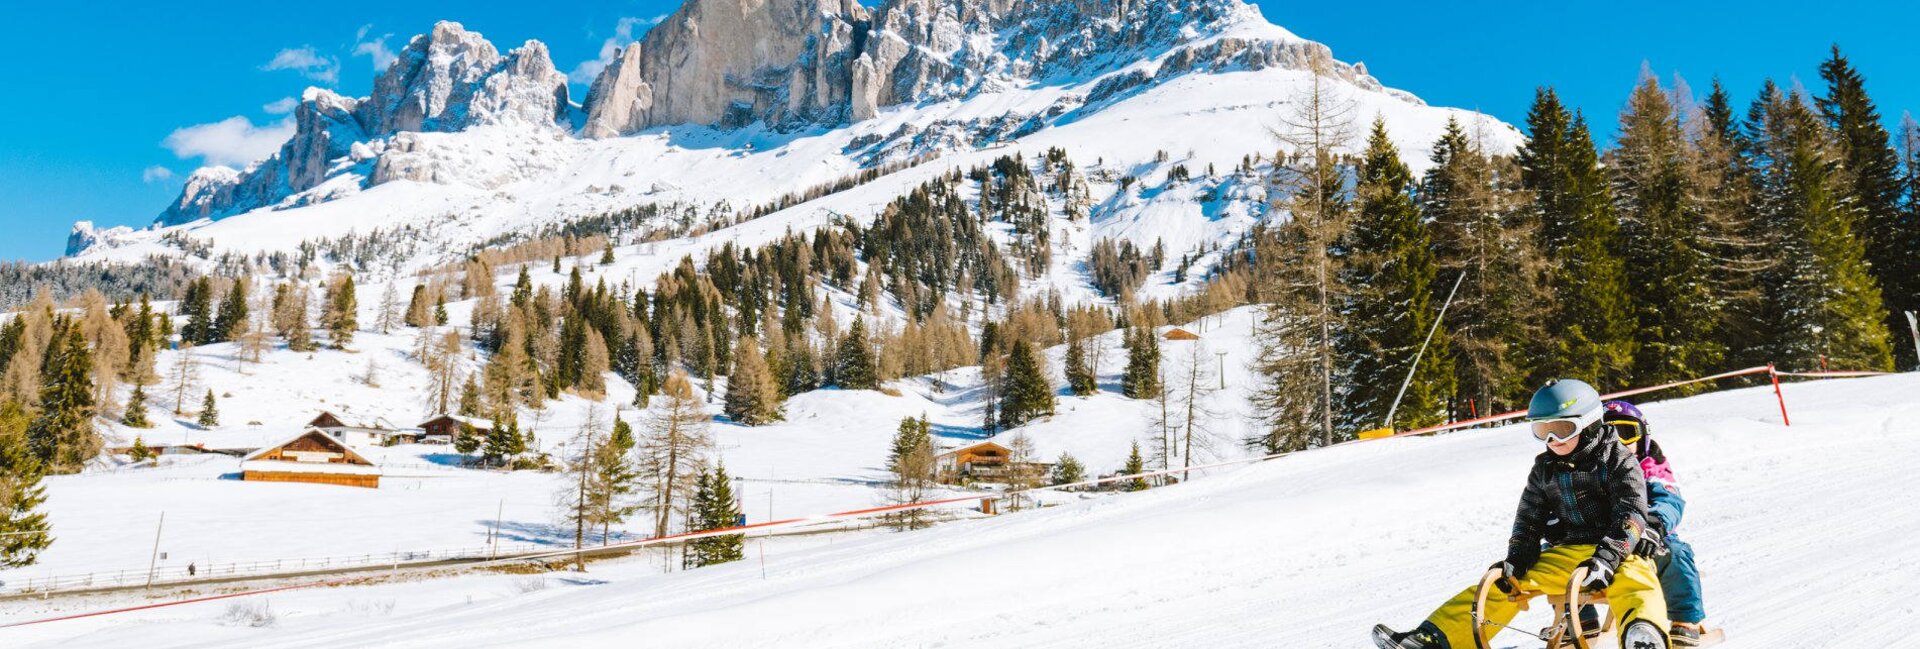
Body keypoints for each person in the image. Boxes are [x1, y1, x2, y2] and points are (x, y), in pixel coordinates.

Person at [1374, 379, 1670, 649]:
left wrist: (1608, 558)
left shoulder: (1618, 460)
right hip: (1567, 553)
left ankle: (1642, 634)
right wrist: (1518, 558)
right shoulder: (1544, 468)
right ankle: (1435, 638)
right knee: (1503, 583)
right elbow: (1528, 519)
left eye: (1562, 429)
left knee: (1638, 580)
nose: (1553, 440)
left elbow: (1631, 512)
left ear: (1589, 423)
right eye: (1543, 431)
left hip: (1618, 551)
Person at [1602, 400, 1709, 646]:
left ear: (1643, 436)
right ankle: (1578, 618)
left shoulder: (1651, 465)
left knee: (1675, 553)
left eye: (1626, 433)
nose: (1618, 442)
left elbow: (1668, 500)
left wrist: (1654, 525)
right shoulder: (1593, 468)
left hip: (1649, 535)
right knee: (1562, 553)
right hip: (1607, 537)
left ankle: (1685, 618)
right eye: (1608, 434)